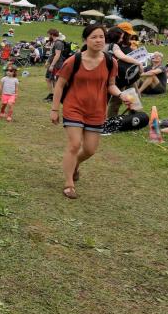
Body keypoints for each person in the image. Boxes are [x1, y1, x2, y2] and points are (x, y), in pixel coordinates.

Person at [51, 24, 129, 200]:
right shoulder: (74, 60)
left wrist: (121, 94)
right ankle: (69, 183)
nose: (98, 40)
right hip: (74, 107)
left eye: (101, 36)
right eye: (94, 37)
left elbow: (111, 85)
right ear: (86, 40)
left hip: (96, 111)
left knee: (90, 150)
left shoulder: (111, 62)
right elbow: (60, 84)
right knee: (74, 144)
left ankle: (75, 163)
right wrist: (55, 109)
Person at [43, 29, 65, 101]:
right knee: (48, 79)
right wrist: (48, 61)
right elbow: (52, 54)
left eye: (49, 34)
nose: (48, 36)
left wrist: (52, 65)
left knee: (55, 81)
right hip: (52, 63)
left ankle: (55, 96)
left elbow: (57, 55)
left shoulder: (58, 43)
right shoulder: (54, 42)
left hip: (57, 64)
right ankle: (51, 94)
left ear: (52, 34)